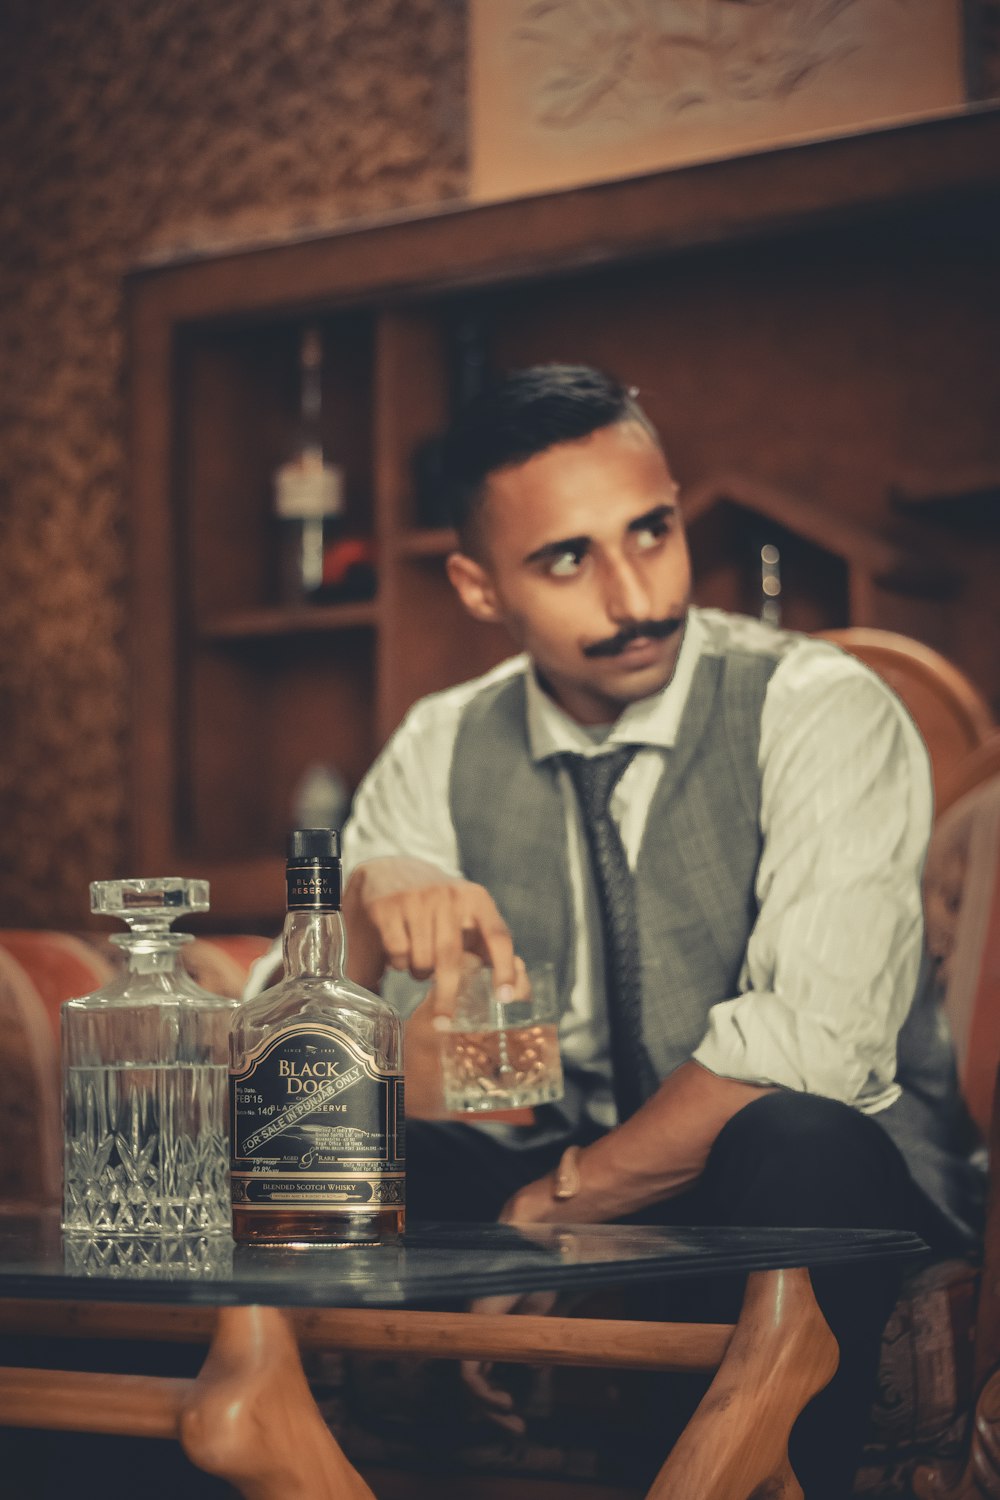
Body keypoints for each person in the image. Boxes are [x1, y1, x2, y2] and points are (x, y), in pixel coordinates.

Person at [249, 364, 983, 1497]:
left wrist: (555, 1210)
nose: (635, 594)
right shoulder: (443, 741)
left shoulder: (813, 704)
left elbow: (815, 1045)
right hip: (556, 1141)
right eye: (565, 559)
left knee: (800, 1139)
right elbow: (283, 1059)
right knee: (304, 1150)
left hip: (782, 1171)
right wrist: (361, 895)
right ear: (479, 587)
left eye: (652, 531)